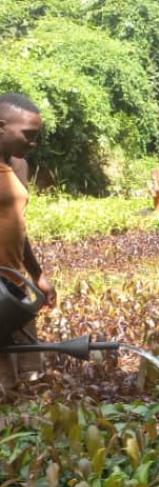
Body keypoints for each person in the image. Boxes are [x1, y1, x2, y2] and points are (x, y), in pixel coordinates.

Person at [0, 93, 55, 397]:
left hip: (14, 285)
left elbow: (17, 227)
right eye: (28, 135)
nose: (32, 143)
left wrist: (37, 274)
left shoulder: (18, 166)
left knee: (31, 378)